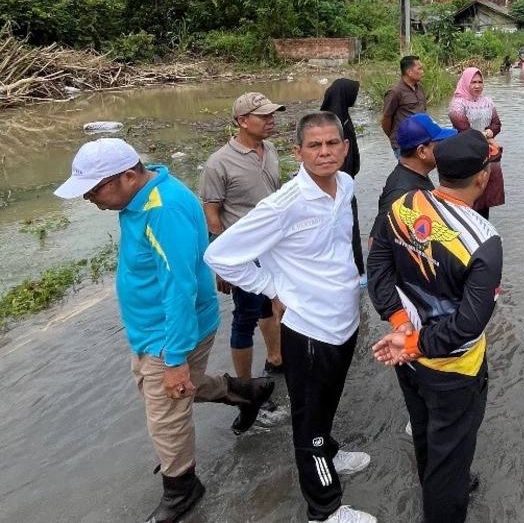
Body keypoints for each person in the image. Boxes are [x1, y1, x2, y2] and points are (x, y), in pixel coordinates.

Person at [54, 138, 275, 523]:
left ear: (127, 175)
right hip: (150, 327)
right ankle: (243, 390)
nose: (89, 198)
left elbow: (180, 289)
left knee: (166, 412)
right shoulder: (138, 197)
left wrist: (173, 358)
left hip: (169, 332)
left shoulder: (164, 209)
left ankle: (182, 488)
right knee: (169, 390)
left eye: (94, 188)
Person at [204, 112, 375, 523]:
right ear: (297, 152)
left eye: (332, 143)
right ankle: (325, 509)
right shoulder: (284, 204)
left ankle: (330, 452)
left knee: (326, 402)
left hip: (344, 318)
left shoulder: (345, 184)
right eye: (314, 146)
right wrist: (274, 288)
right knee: (308, 421)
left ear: (345, 147)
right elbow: (221, 256)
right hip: (309, 328)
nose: (324, 152)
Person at [367, 129, 502, 523]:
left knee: (427, 433)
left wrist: (400, 327)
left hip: (408, 358)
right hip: (453, 369)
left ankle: (439, 480)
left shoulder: (405, 205)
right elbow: (467, 326)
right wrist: (412, 343)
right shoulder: (483, 241)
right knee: (451, 456)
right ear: (482, 177)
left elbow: (377, 269)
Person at [199, 93, 284, 423]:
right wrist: (221, 263)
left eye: (271, 114)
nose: (270, 119)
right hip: (242, 255)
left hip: (272, 250)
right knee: (245, 318)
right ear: (241, 121)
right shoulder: (218, 163)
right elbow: (211, 212)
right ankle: (246, 390)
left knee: (272, 304)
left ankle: (276, 360)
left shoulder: (271, 150)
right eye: (263, 115)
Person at [370, 112, 455, 240]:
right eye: (439, 144)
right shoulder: (400, 192)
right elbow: (374, 242)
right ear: (421, 151)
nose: (444, 148)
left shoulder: (416, 174)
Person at [320, 78, 366, 277]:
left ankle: (354, 269)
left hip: (345, 181)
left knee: (349, 226)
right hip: (336, 185)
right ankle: (353, 271)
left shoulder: (342, 115)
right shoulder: (333, 123)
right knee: (346, 228)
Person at [448, 67, 504, 219]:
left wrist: (488, 134)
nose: (477, 85)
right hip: (467, 153)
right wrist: (488, 137)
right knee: (468, 195)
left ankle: (482, 231)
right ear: (466, 83)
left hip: (487, 153)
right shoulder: (457, 104)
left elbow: (497, 124)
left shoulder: (487, 101)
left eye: (480, 82)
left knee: (485, 195)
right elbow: (463, 129)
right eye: (473, 82)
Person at [382, 56, 428, 157]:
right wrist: (394, 137)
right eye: (419, 68)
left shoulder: (420, 88)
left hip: (420, 140)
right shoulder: (395, 92)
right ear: (409, 72)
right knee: (407, 171)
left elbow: (423, 113)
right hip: (403, 144)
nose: (422, 72)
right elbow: (386, 118)